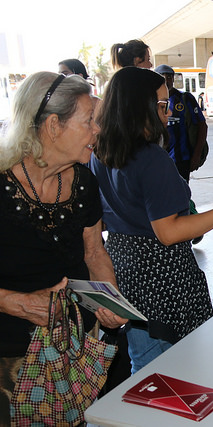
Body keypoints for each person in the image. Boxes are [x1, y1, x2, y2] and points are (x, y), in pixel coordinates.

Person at [90, 67, 213, 373]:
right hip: (162, 276)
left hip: (125, 268)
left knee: (144, 362)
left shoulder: (100, 152)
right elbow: (168, 232)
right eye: (162, 105)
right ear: (140, 107)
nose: (167, 114)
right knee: (175, 367)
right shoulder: (150, 158)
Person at [0, 72, 126, 422]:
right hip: (11, 357)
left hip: (74, 346)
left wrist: (110, 299)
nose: (97, 131)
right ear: (53, 126)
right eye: (88, 122)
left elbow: (94, 252)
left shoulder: (84, 181)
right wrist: (15, 302)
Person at [154, 65, 208, 181]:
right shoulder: (151, 101)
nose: (166, 80)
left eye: (169, 77)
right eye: (162, 77)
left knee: (181, 194)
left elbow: (202, 126)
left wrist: (196, 155)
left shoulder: (185, 99)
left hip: (181, 160)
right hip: (158, 160)